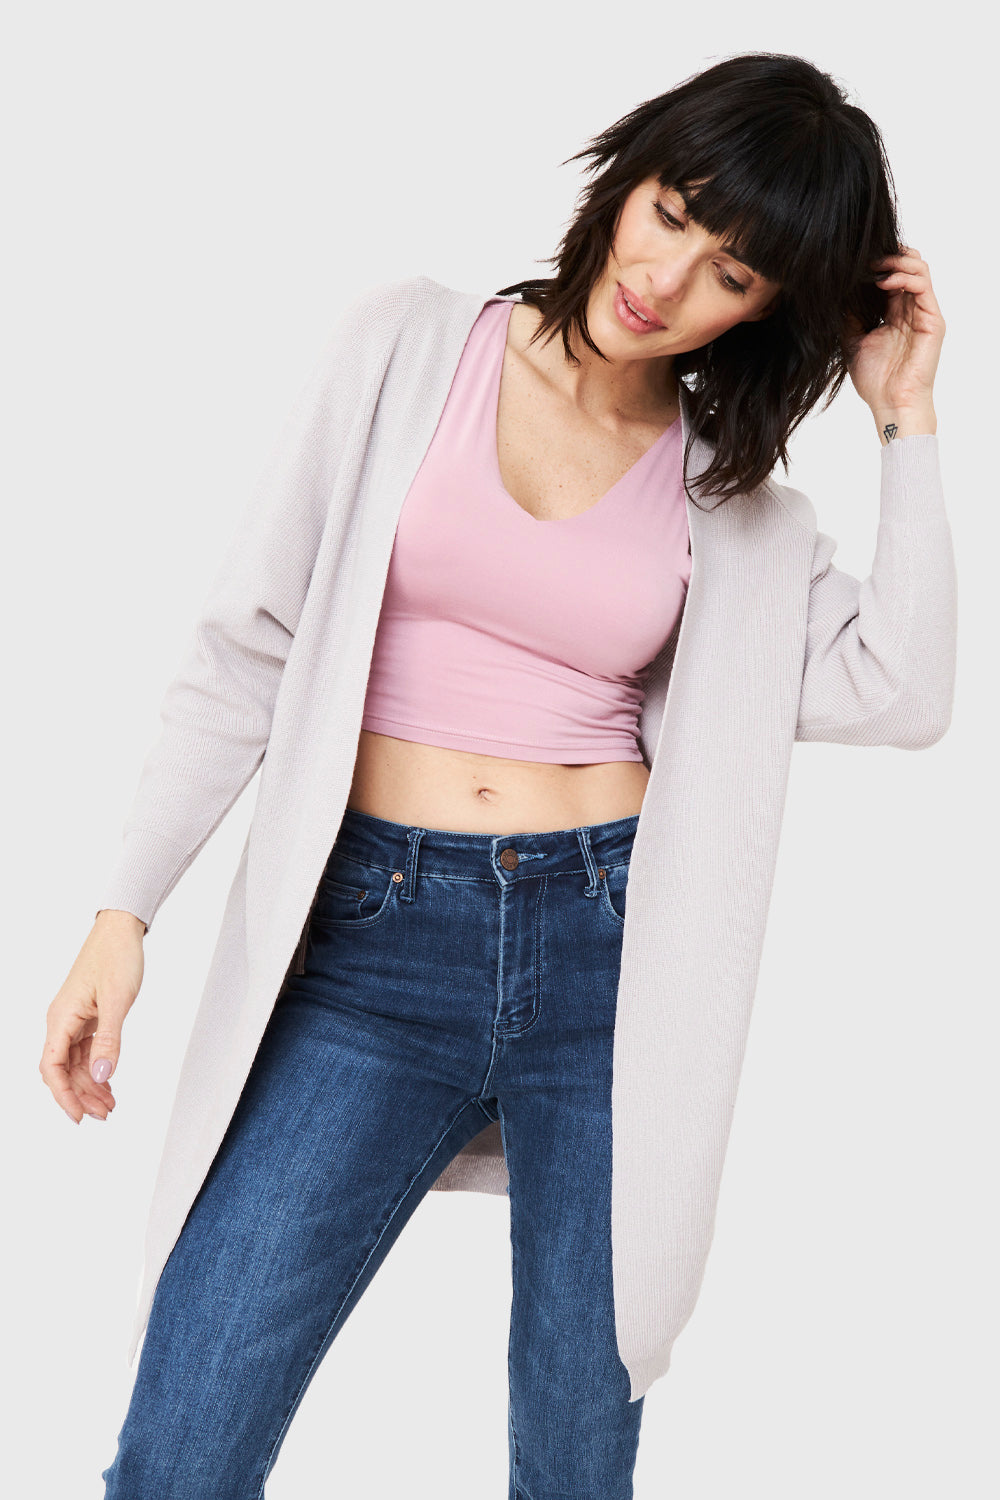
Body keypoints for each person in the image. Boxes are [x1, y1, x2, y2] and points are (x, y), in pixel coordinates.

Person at [40, 51, 956, 1500]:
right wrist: (123, 911)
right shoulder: (408, 347)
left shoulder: (731, 499)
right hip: (369, 946)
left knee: (575, 1466)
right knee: (180, 1450)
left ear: (765, 310)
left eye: (730, 274)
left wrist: (905, 419)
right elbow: (247, 643)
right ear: (628, 174)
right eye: (672, 213)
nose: (666, 279)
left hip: (612, 968)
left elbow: (904, 689)